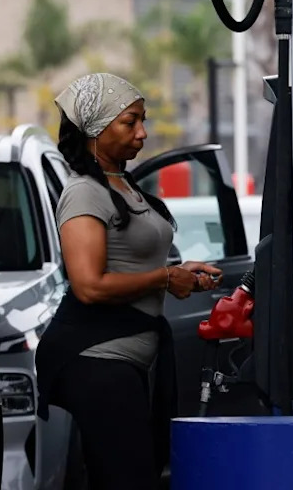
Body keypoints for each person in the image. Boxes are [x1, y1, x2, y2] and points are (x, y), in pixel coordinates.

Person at [34, 72, 222, 490]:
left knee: (132, 475)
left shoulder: (122, 184)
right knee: (129, 480)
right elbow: (89, 286)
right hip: (97, 360)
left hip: (127, 363)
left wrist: (179, 270)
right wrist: (165, 278)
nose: (143, 132)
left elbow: (134, 263)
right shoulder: (85, 192)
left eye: (143, 120)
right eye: (130, 122)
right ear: (95, 130)